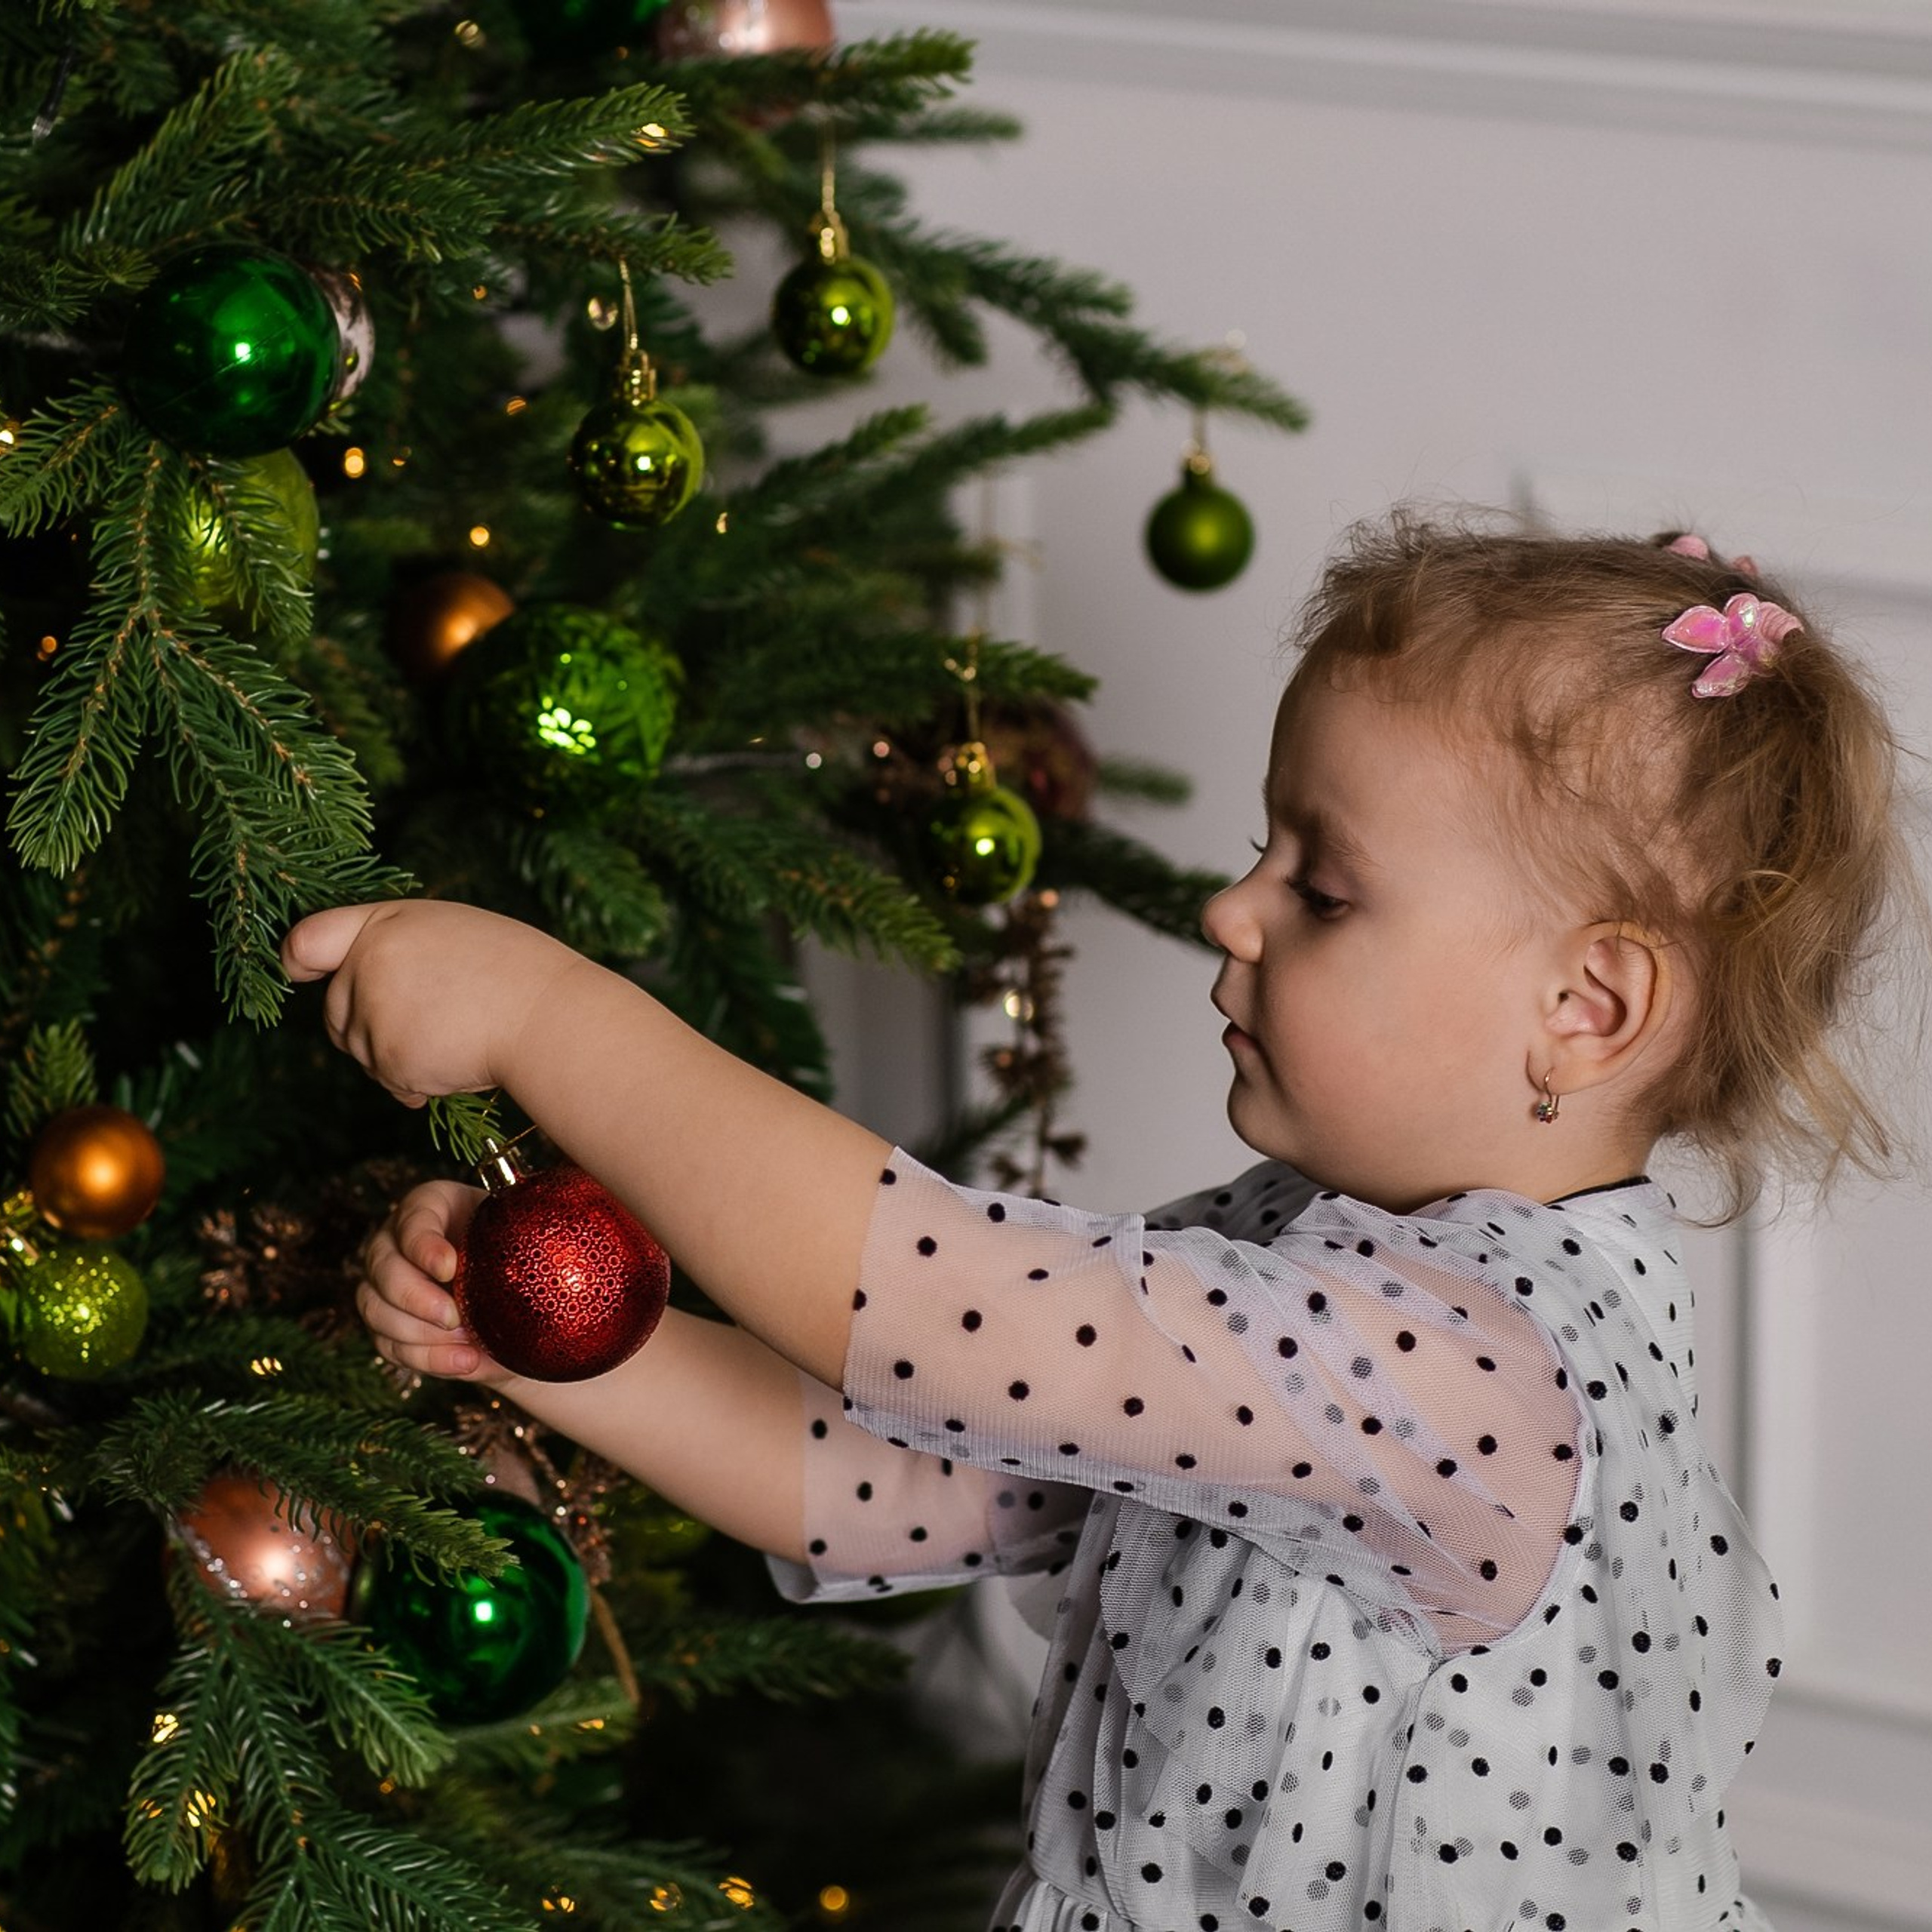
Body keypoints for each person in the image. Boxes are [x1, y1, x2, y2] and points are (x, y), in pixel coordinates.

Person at [284, 513, 1917, 1932]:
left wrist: (545, 1016)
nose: (1229, 907)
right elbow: (897, 1465)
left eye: (1320, 886)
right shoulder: (1309, 1247)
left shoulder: (1469, 1371)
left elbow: (937, 1307)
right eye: (1260, 846)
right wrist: (566, 1349)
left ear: (1583, 1005)